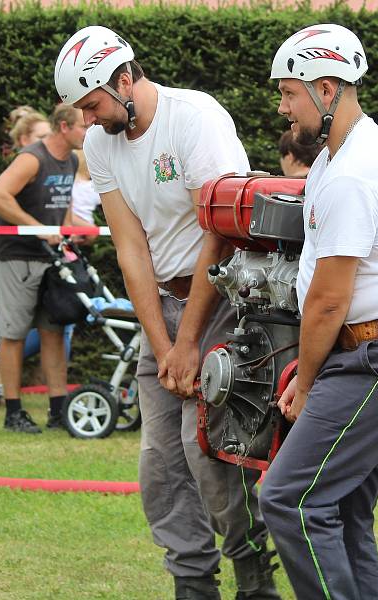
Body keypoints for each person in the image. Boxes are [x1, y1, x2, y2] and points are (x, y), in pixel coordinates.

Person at [55, 25, 278, 600]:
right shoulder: (103, 142)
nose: (87, 122)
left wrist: (190, 342)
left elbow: (222, 236)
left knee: (204, 449)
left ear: (124, 78)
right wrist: (162, 346)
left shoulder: (196, 119)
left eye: (92, 105)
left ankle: (254, 578)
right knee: (159, 463)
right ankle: (192, 583)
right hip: (164, 306)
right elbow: (131, 249)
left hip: (224, 302)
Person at [259, 24, 378, 600]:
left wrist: (307, 382)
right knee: (341, 507)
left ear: (328, 88)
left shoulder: (351, 172)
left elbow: (329, 300)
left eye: (291, 94)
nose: (284, 109)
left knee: (288, 498)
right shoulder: (347, 152)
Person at [0, 103, 87, 433]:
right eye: (84, 127)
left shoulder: (71, 160)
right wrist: (35, 227)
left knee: (54, 332)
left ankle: (58, 411)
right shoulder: (33, 157)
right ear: (64, 127)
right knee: (13, 334)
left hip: (50, 258)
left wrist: (75, 230)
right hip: (16, 255)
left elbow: (63, 205)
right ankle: (13, 413)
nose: (90, 132)